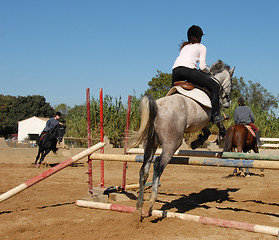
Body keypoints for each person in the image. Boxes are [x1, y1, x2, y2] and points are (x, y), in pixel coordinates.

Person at [172, 25, 224, 124]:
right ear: (198, 37)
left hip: (175, 71)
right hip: (188, 71)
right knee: (215, 87)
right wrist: (209, 71)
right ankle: (216, 116)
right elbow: (203, 67)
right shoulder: (201, 47)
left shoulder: (185, 47)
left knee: (171, 94)